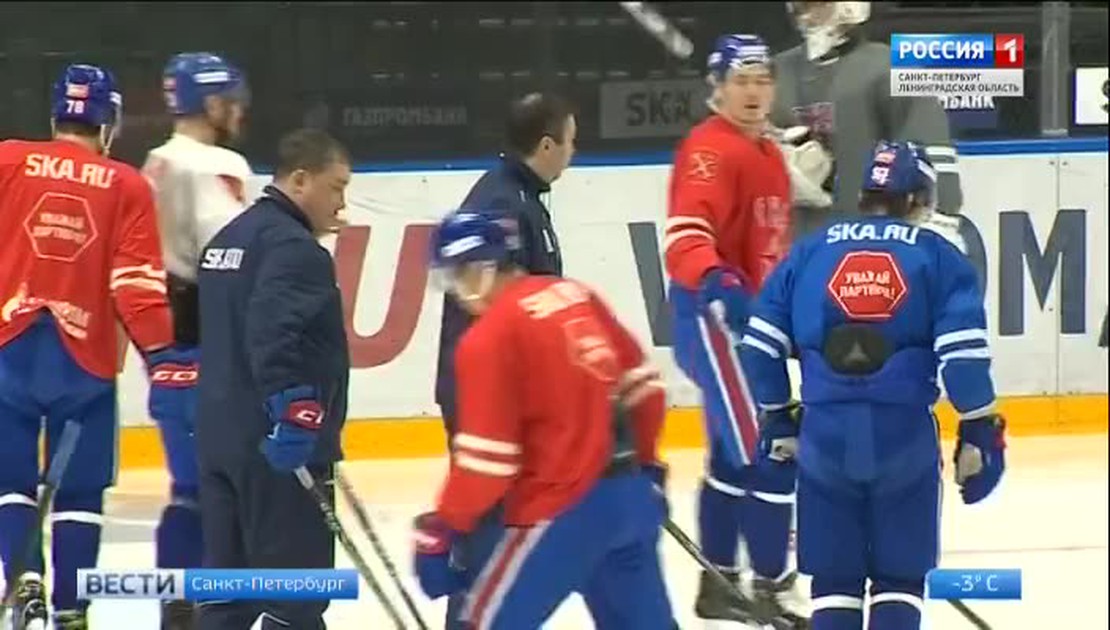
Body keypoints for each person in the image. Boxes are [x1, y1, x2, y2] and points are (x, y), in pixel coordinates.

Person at [740, 141, 1007, 629]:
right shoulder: (939, 256)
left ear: (865, 196)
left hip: (825, 440)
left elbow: (758, 347)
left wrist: (778, 417)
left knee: (835, 582)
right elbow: (963, 359)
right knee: (899, 580)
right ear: (918, 199)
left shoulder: (808, 253)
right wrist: (979, 431)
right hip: (902, 441)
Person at [412, 209, 674, 630]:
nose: (457, 293)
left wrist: (445, 526)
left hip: (559, 514)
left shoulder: (489, 337)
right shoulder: (574, 294)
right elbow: (646, 390)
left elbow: (488, 463)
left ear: (482, 268)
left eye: (455, 276)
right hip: (629, 501)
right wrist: (645, 469)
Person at [0, 64, 185, 630]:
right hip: (84, 362)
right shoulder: (125, 184)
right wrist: (162, 356)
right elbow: (136, 285)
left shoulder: (7, 160)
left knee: (9, 482)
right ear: (108, 121)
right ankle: (72, 607)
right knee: (80, 493)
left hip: (8, 350)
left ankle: (24, 580)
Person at [663, 34, 808, 627]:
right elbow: (685, 233)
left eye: (762, 80)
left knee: (731, 457)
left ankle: (719, 583)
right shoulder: (709, 149)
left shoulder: (768, 152)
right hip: (715, 318)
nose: (753, 91)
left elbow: (771, 246)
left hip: (750, 323)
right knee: (772, 447)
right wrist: (718, 280)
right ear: (717, 88)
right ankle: (772, 587)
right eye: (741, 80)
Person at [193, 128, 351, 630]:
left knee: (228, 598)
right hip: (280, 451)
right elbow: (272, 331)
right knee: (296, 599)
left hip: (220, 443)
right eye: (336, 187)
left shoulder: (224, 242)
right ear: (300, 180)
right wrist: (295, 409)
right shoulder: (297, 250)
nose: (342, 204)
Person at [434, 92, 575, 629]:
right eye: (571, 141)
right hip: (490, 403)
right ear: (547, 145)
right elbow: (506, 314)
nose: (574, 152)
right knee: (489, 544)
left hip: (502, 399)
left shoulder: (518, 196)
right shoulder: (502, 204)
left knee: (505, 545)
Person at [141, 51, 253, 630]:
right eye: (230, 100)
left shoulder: (156, 162)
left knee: (187, 487)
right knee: (221, 489)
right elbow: (234, 250)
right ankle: (211, 607)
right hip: (210, 347)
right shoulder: (215, 163)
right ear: (209, 102)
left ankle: (176, 604)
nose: (238, 111)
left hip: (164, 352)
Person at [772, 2, 965, 247]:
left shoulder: (892, 67)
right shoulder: (775, 73)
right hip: (798, 248)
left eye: (819, 3)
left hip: (872, 245)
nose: (806, 14)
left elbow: (931, 152)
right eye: (801, 5)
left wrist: (938, 222)